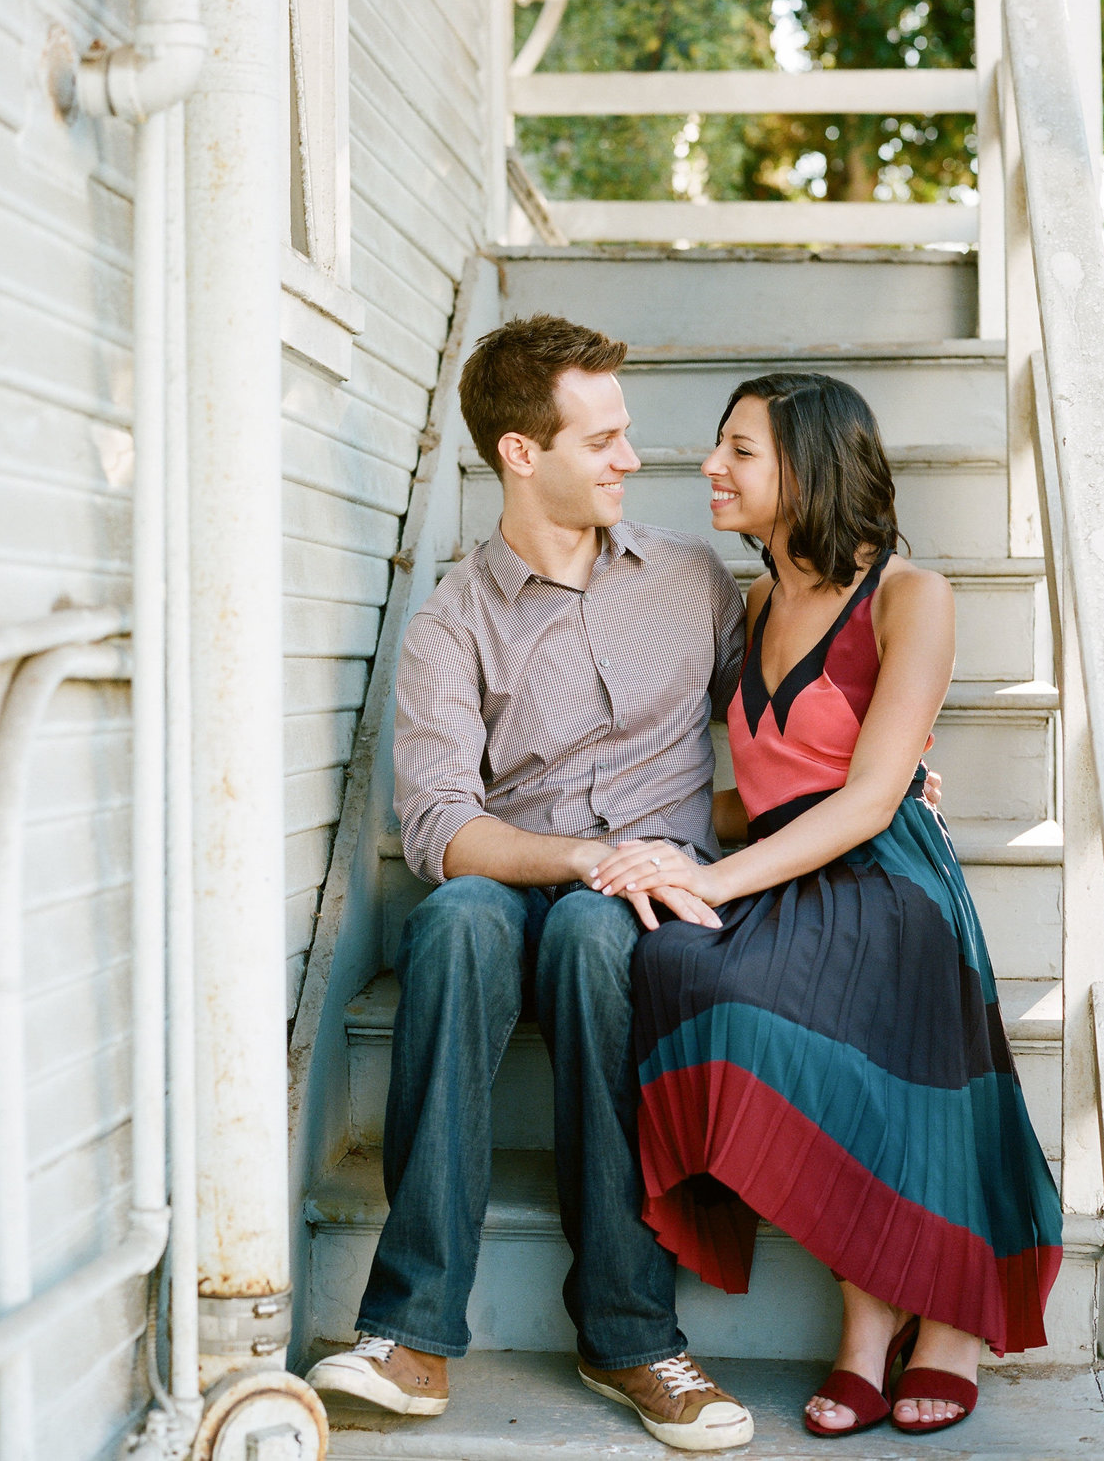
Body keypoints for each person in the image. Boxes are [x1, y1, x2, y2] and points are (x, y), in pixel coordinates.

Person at [306, 314, 757, 1451]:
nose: (630, 458)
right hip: (521, 876)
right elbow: (442, 828)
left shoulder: (694, 580)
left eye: (625, 433)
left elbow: (778, 727)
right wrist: (577, 857)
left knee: (598, 937)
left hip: (645, 904)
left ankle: (630, 1333)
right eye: (600, 438)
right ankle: (409, 1334)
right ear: (519, 451)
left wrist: (889, 774)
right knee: (455, 921)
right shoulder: (452, 621)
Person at [589, 373, 1063, 1439]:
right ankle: (877, 1309)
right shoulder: (748, 603)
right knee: (674, 963)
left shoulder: (912, 596)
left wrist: (708, 875)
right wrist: (648, 840)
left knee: (798, 990)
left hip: (885, 875)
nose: (711, 467)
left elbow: (864, 799)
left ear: (810, 465)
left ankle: (926, 1320)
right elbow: (742, 774)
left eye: (739, 451)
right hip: (782, 865)